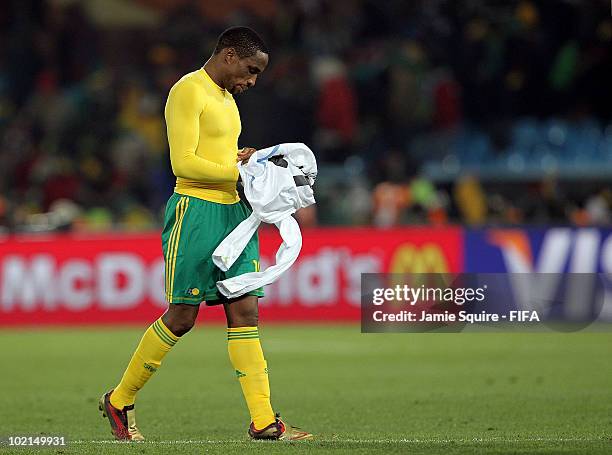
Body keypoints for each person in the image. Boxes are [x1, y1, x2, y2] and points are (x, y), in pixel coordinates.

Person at [99, 26, 312, 442]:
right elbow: (184, 163)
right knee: (182, 317)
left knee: (245, 311)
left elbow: (216, 154)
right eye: (250, 71)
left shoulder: (229, 100)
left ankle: (264, 421)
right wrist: (236, 171)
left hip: (235, 214)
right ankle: (120, 399)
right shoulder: (187, 91)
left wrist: (247, 162)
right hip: (195, 211)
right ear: (229, 55)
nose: (252, 81)